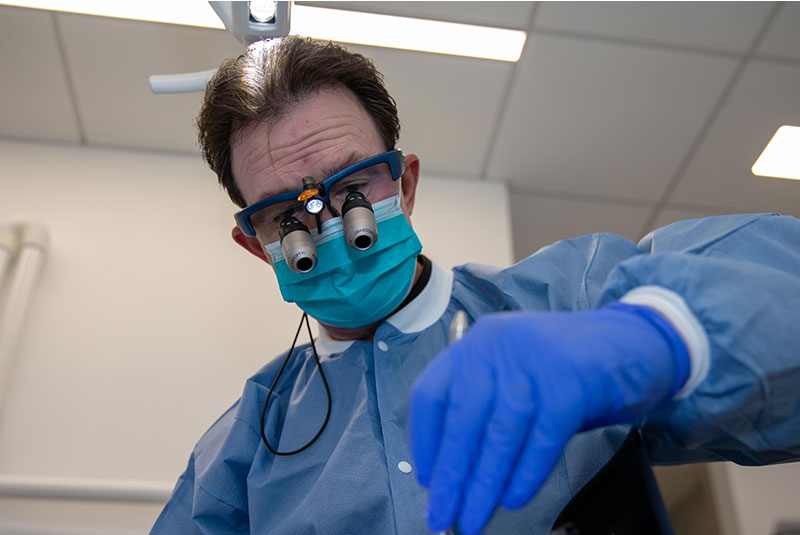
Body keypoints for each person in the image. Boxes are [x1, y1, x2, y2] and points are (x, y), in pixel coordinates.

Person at [151, 36, 800, 535]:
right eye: (288, 216)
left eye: (352, 190)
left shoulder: (564, 299)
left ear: (403, 184)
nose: (326, 229)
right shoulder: (246, 445)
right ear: (257, 245)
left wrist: (665, 334)